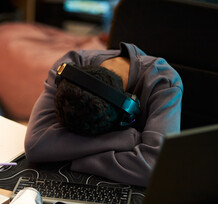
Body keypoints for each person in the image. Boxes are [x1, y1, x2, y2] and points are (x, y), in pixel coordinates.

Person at [24, 42, 183, 187]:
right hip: (121, 173)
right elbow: (35, 146)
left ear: (128, 111)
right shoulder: (68, 70)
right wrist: (129, 138)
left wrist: (71, 158)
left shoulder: (164, 83)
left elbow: (155, 169)